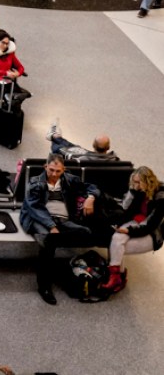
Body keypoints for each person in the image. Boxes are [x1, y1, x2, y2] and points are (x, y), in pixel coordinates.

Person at [20, 153, 100, 304]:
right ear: (45, 167)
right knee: (48, 241)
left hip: (63, 220)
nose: (54, 174)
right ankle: (44, 286)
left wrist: (91, 198)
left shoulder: (69, 179)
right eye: (51, 170)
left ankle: (57, 252)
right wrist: (51, 226)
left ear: (64, 170)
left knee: (86, 233)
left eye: (58, 171)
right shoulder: (36, 182)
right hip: (39, 219)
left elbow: (92, 187)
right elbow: (35, 208)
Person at [104, 165, 164, 293]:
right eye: (134, 182)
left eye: (138, 182)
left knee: (117, 248)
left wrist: (129, 231)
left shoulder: (161, 197)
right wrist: (118, 225)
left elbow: (151, 226)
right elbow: (129, 211)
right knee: (116, 239)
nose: (136, 185)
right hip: (137, 222)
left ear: (148, 181)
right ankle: (117, 277)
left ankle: (118, 277)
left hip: (152, 232)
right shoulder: (140, 191)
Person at [47, 124, 119, 163]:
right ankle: (56, 136)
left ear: (93, 145)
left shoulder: (82, 160)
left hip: (86, 156)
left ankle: (54, 137)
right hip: (91, 156)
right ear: (108, 147)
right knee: (75, 147)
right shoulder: (115, 160)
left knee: (60, 148)